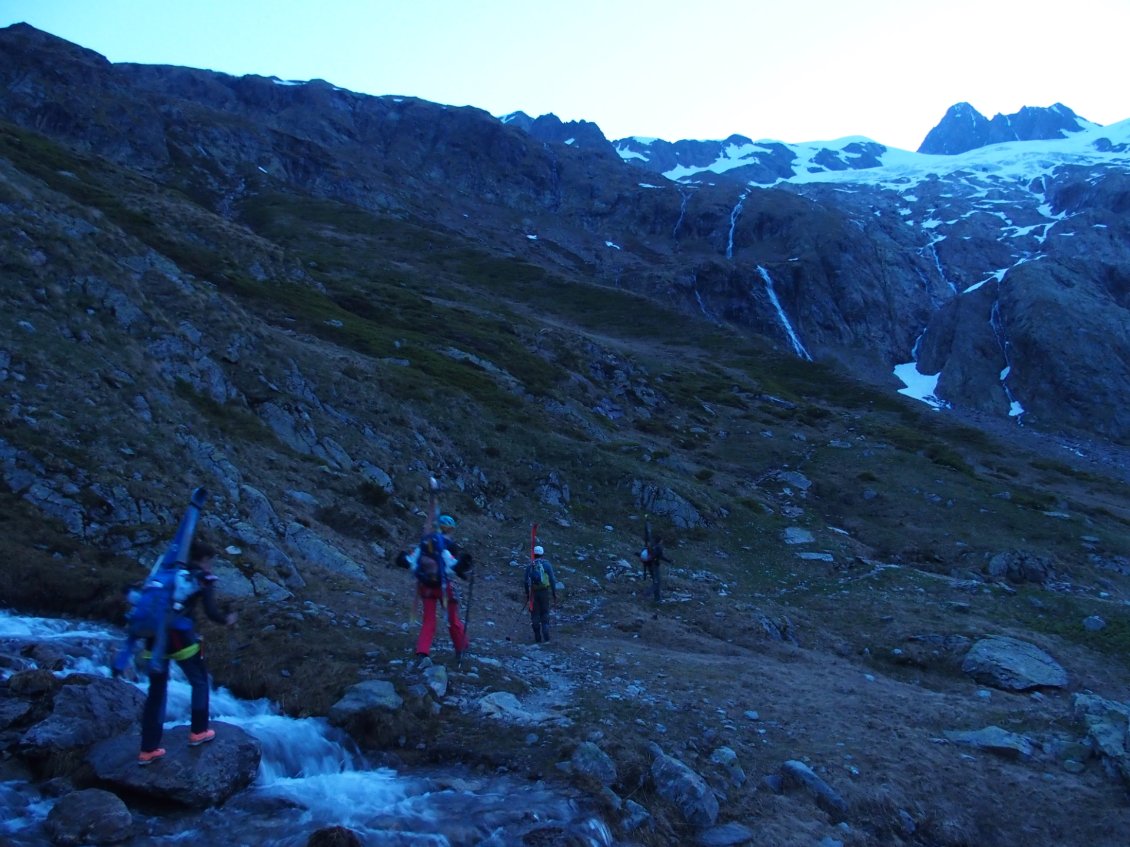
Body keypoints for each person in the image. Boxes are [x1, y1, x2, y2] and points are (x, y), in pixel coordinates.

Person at [138, 539, 237, 766]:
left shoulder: (169, 572)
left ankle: (148, 749)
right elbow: (211, 612)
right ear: (203, 560)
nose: (211, 566)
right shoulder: (200, 578)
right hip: (179, 638)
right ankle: (199, 731)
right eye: (210, 562)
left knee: (157, 691)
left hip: (154, 638)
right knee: (200, 680)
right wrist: (227, 619)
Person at [396, 478, 472, 662]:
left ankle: (422, 652)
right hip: (444, 587)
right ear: (451, 529)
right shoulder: (449, 545)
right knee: (453, 620)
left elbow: (410, 559)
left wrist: (433, 499)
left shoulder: (426, 539)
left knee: (429, 619)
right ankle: (461, 649)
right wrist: (465, 567)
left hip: (425, 586)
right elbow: (453, 566)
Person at [524, 544, 557, 643]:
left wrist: (527, 594)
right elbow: (552, 579)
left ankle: (537, 636)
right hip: (544, 592)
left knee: (535, 613)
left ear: (533, 554)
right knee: (545, 611)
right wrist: (554, 593)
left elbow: (525, 581)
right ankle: (546, 631)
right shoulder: (547, 565)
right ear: (542, 554)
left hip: (533, 593)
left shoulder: (530, 566)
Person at [640, 535, 672, 603]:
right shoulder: (658, 547)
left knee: (656, 581)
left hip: (649, 565)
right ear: (660, 541)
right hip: (655, 566)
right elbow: (661, 556)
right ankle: (646, 594)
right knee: (657, 582)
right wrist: (669, 561)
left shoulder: (651, 546)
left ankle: (657, 598)